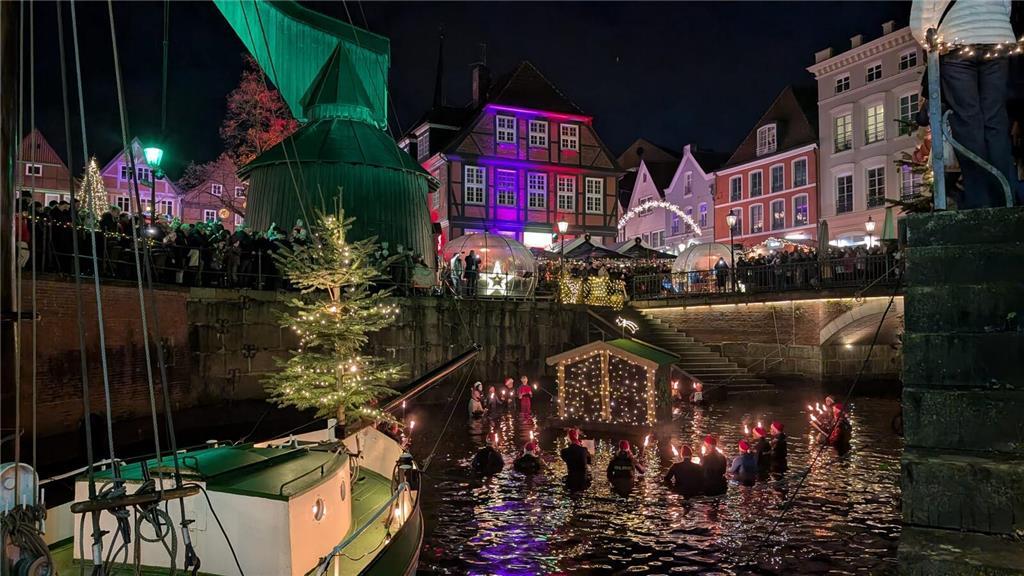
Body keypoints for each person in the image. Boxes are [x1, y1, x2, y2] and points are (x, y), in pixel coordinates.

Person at [911, 0, 1017, 208]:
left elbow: (922, 13)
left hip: (956, 41)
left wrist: (930, 44)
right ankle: (1005, 200)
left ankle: (980, 202)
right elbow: (1006, 5)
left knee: (968, 124)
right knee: (996, 122)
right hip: (997, 37)